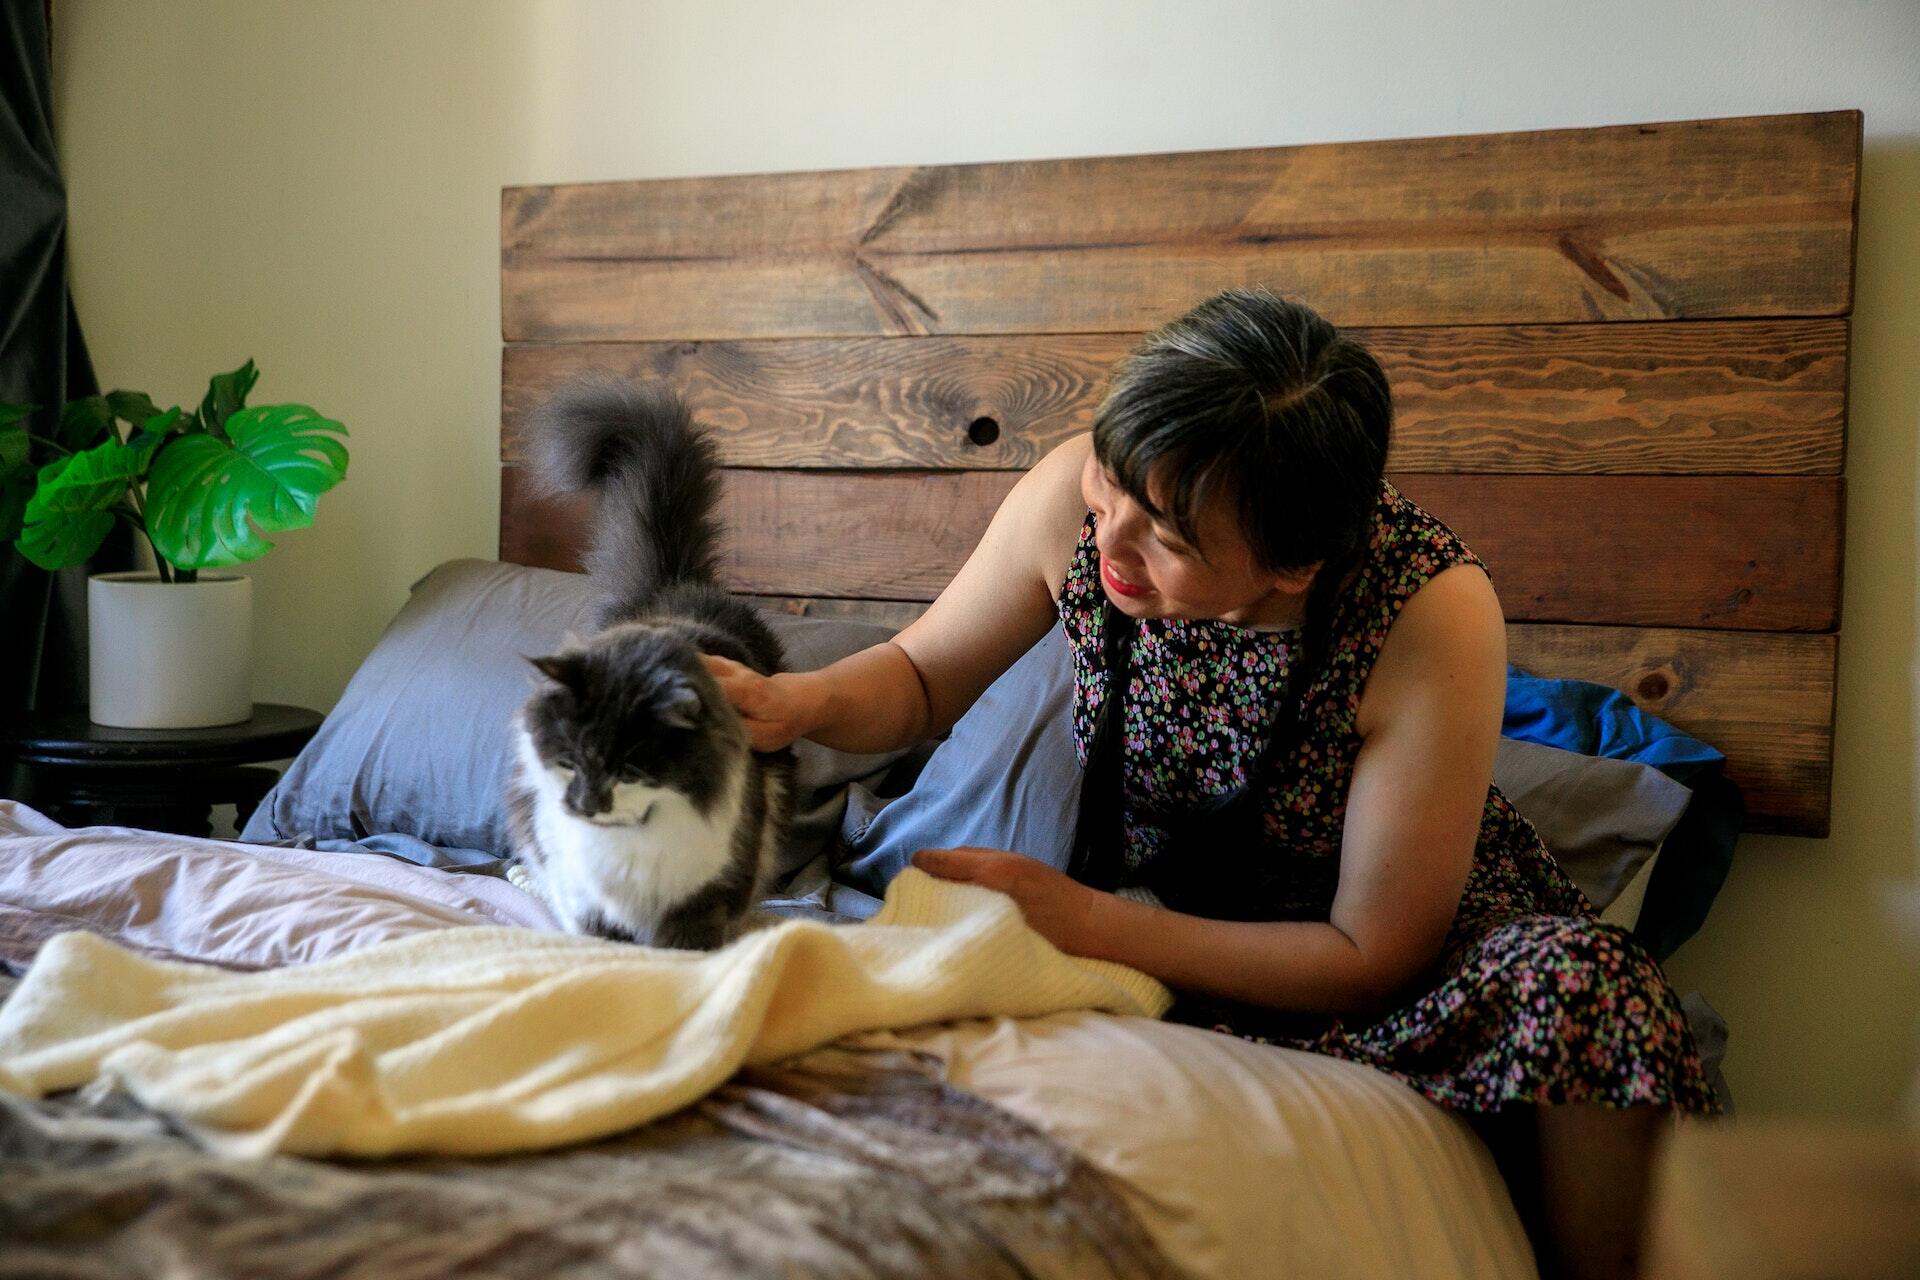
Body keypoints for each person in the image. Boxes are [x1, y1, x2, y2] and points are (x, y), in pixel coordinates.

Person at [702, 287, 1719, 1280]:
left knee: (1593, 988)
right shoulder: (1088, 491)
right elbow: (923, 678)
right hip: (1161, 915)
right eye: (1109, 498)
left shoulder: (1430, 610)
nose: (1111, 543)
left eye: (1170, 539)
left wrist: (1082, 919)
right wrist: (802, 702)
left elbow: (1373, 951)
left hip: (1366, 954)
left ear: (1298, 564)